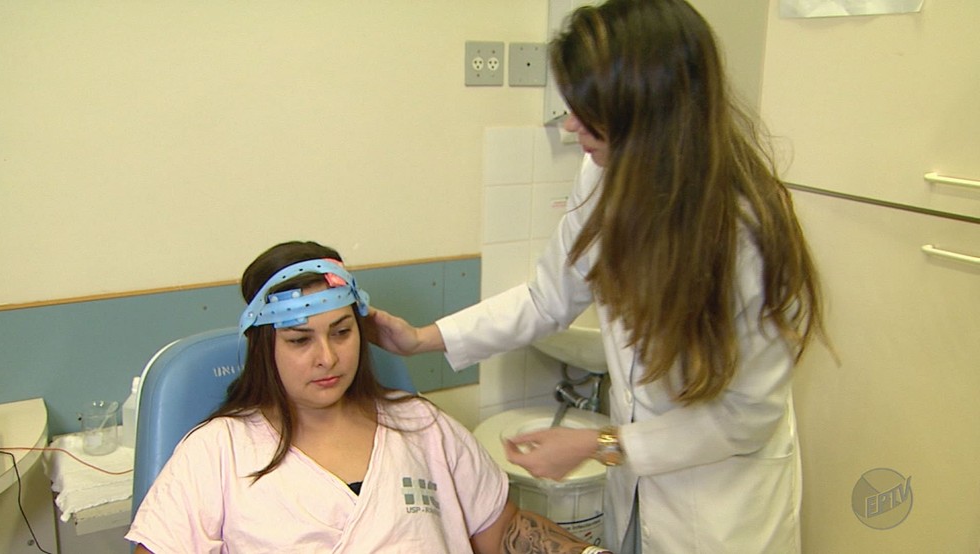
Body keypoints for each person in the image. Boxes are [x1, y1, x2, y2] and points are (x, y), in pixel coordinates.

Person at [367, 0, 828, 552]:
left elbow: (743, 421)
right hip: (638, 496)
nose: (569, 126)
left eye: (589, 112)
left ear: (652, 114)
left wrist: (599, 444)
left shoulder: (748, 233)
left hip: (719, 512)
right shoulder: (605, 173)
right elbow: (547, 298)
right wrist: (423, 339)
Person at [126, 241, 611, 553]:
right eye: (300, 341)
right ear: (265, 348)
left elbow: (504, 531)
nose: (327, 357)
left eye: (341, 332)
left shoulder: (421, 426)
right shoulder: (218, 451)